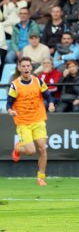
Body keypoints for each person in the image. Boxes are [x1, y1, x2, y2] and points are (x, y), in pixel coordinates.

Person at [7, 57, 55, 186]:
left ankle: (41, 177)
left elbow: (48, 96)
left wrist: (50, 104)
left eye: (28, 66)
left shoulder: (38, 82)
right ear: (19, 68)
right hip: (23, 122)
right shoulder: (15, 85)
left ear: (31, 67)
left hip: (38, 119)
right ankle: (18, 148)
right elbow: (9, 103)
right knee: (30, 151)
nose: (26, 68)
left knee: (42, 148)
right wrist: (10, 110)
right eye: (23, 66)